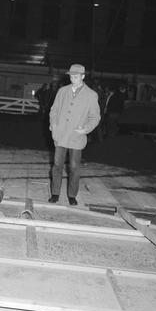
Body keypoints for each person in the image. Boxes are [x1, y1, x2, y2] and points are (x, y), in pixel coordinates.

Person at [48, 64, 100, 206]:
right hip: (60, 135)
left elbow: (95, 117)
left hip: (77, 137)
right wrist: (53, 124)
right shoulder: (62, 91)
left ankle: (72, 195)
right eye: (71, 76)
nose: (73, 79)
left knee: (74, 168)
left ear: (83, 76)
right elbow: (54, 110)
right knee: (57, 165)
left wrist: (86, 129)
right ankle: (55, 193)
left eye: (76, 77)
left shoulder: (91, 95)